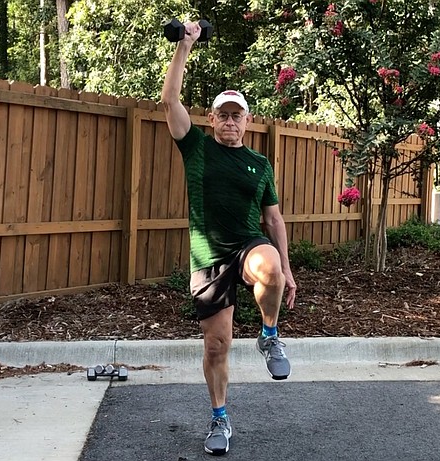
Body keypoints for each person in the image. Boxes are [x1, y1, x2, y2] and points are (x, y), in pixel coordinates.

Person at [160, 20, 297, 456]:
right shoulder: (196, 147)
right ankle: (220, 419)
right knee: (217, 345)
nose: (230, 122)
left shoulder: (260, 164)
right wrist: (185, 45)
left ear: (247, 120)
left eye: (238, 115)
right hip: (208, 257)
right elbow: (168, 100)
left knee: (270, 267)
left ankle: (269, 334)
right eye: (223, 115)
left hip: (248, 245)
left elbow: (274, 222)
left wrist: (288, 269)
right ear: (212, 119)